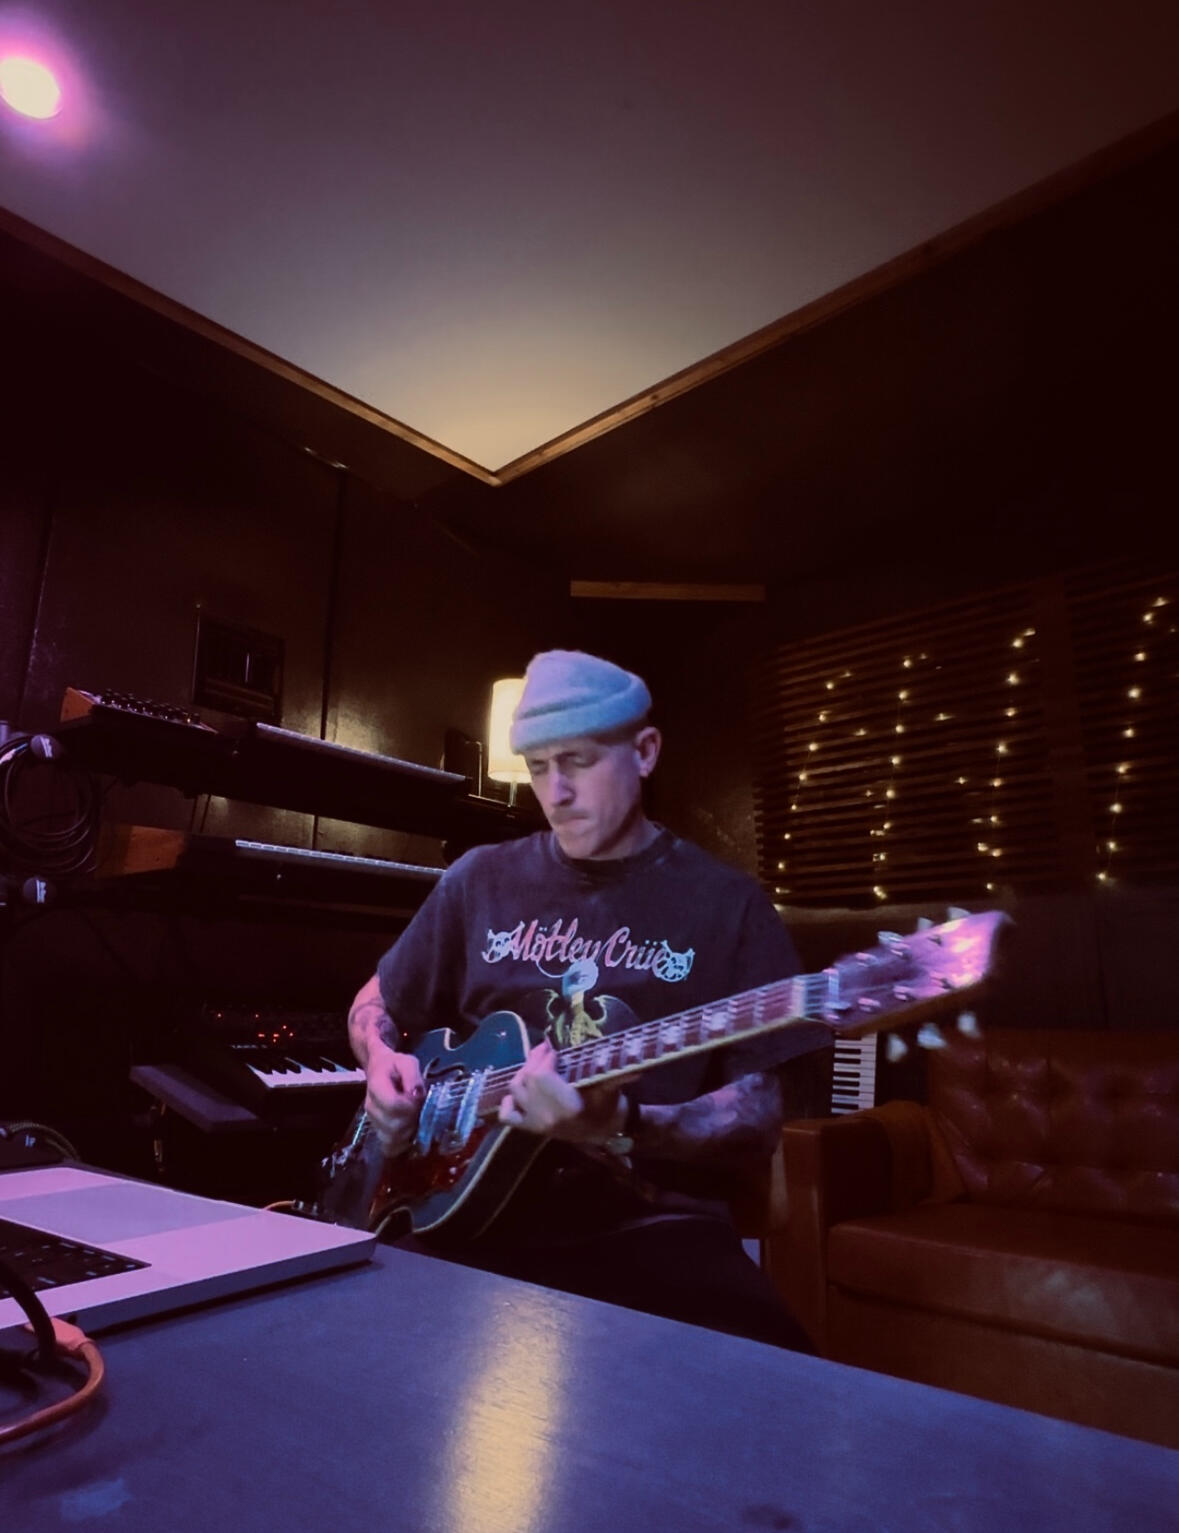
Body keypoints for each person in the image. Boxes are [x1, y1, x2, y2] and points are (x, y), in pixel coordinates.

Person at [347, 649, 821, 1348]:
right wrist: (381, 1063)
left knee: (769, 1370)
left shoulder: (729, 906)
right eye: (538, 766)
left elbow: (756, 1120)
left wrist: (621, 1122)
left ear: (645, 752)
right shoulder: (478, 879)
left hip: (649, 1227)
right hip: (459, 1215)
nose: (555, 791)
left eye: (577, 761)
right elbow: (375, 1004)